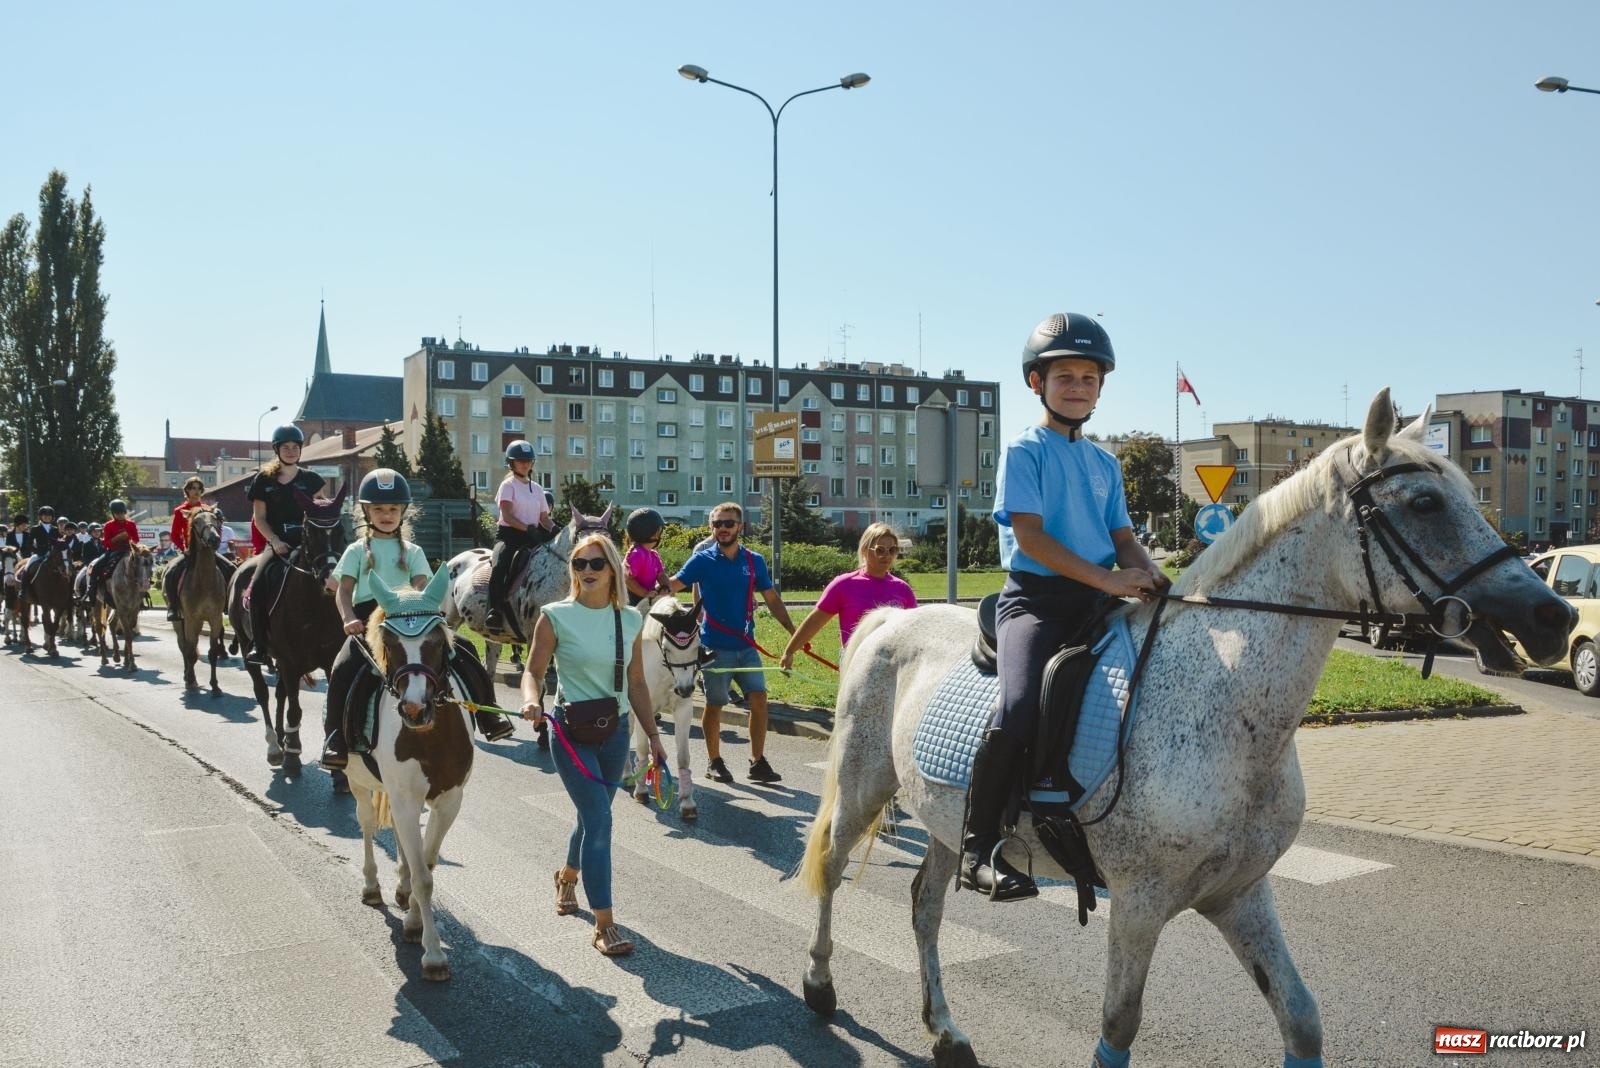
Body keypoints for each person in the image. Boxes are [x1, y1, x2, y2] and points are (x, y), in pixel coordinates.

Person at [962, 312, 1169, 903]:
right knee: (1022, 702)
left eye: (1088, 377)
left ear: (1101, 388)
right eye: (1064, 376)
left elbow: (1123, 536)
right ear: (1037, 384)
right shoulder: (1024, 452)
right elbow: (1031, 539)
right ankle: (978, 846)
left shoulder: (1105, 463)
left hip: (1101, 600)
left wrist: (1151, 573)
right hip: (1038, 602)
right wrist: (1109, 581)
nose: (1077, 386)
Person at [519, 534, 669, 958]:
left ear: (613, 570)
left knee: (592, 816)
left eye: (596, 564)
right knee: (600, 821)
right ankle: (604, 923)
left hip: (616, 731)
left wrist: (653, 738)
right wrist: (532, 700)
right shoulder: (555, 616)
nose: (587, 571)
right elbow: (533, 670)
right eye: (580, 563)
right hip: (570, 730)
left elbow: (637, 682)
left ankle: (567, 875)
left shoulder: (630, 620)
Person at [666, 502, 797, 785]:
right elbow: (672, 584)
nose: (722, 529)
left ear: (740, 526)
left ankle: (757, 762)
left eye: (728, 523)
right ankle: (714, 762)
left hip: (747, 646)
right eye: (717, 524)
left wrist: (792, 631)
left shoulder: (754, 561)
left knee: (759, 699)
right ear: (711, 528)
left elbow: (772, 598)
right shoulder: (703, 560)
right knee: (715, 704)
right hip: (714, 647)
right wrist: (643, 582)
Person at [781, 523, 918, 669]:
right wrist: (789, 652)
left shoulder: (902, 589)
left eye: (892, 550)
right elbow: (815, 621)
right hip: (854, 660)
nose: (887, 556)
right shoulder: (844, 584)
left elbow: (916, 630)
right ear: (865, 550)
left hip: (893, 662)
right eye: (880, 550)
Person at [244, 425, 326, 666]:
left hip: (309, 545)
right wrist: (275, 541)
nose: (291, 452)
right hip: (278, 546)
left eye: (295, 447)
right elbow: (259, 519)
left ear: (301, 450)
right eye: (285, 447)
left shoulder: (312, 480)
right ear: (277, 450)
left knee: (335, 579)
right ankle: (259, 647)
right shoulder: (264, 480)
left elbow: (322, 512)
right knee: (258, 585)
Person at [485, 440, 556, 631]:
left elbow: (543, 518)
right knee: (500, 566)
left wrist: (555, 529)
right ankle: (494, 611)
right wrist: (527, 528)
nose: (525, 464)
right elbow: (507, 515)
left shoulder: (539, 489)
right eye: (520, 461)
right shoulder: (507, 485)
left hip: (531, 537)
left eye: (528, 460)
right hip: (509, 536)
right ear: (511, 463)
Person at [164, 476, 237, 623]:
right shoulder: (180, 511)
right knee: (171, 573)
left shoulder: (208, 510)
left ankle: (229, 604)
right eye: (193, 488)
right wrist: (183, 548)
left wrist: (214, 542)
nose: (196, 491)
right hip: (189, 552)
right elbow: (174, 535)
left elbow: (218, 529)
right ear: (187, 491)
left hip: (209, 551)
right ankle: (173, 607)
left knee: (231, 569)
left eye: (199, 488)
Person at [88, 499, 140, 595]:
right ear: (113, 514)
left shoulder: (131, 524)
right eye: (117, 513)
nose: (120, 515)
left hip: (128, 550)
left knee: (142, 565)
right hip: (113, 551)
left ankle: (142, 593)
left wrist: (129, 539)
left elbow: (136, 539)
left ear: (124, 512)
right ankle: (91, 592)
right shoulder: (108, 525)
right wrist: (117, 538)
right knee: (96, 567)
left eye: (122, 513)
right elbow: (106, 543)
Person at [622, 507, 669, 607]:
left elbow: (661, 575)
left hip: (647, 598)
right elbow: (628, 580)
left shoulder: (653, 554)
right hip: (634, 602)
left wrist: (665, 587)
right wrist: (645, 593)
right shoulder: (638, 554)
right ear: (655, 533)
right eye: (660, 531)